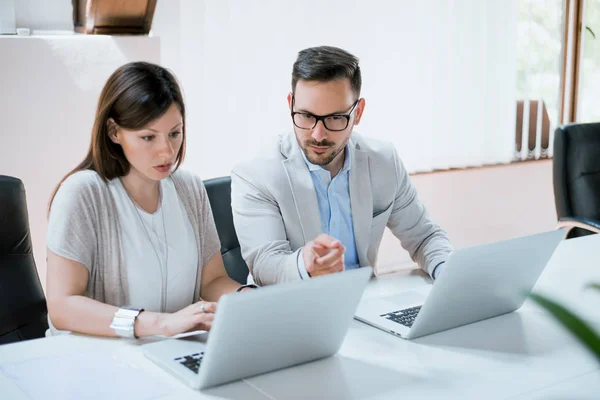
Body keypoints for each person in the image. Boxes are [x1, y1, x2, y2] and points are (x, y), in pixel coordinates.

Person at [46, 62, 255, 339]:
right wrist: (160, 324)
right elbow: (62, 307)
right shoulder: (83, 193)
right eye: (148, 137)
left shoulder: (188, 187)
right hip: (97, 361)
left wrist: (248, 297)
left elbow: (212, 280)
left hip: (170, 352)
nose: (166, 151)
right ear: (113, 132)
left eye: (174, 133)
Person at [231, 46, 453, 286]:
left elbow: (424, 237)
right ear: (290, 105)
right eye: (305, 115)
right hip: (290, 308)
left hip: (364, 303)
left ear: (358, 113)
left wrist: (448, 274)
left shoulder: (383, 161)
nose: (317, 134)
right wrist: (303, 265)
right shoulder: (257, 173)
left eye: (335, 118)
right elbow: (265, 265)